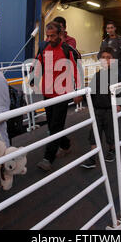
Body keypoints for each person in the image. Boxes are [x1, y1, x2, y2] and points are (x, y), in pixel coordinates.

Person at [33, 21, 82, 172]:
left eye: (52, 36)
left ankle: (48, 158)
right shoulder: (44, 48)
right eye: (47, 36)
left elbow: (77, 71)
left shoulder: (68, 50)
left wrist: (78, 91)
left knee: (55, 126)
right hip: (47, 93)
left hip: (62, 93)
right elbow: (38, 64)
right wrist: (32, 78)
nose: (49, 38)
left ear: (60, 34)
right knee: (52, 125)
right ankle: (65, 144)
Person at [81, 48, 121, 169]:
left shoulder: (117, 75)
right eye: (103, 57)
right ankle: (92, 158)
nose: (106, 60)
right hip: (97, 109)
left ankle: (112, 149)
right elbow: (91, 91)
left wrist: (119, 104)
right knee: (94, 133)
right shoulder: (97, 75)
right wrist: (88, 102)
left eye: (109, 57)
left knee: (110, 134)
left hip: (110, 110)